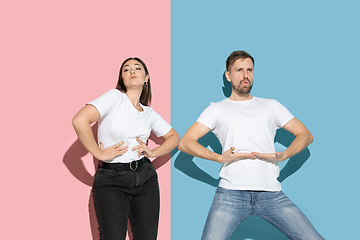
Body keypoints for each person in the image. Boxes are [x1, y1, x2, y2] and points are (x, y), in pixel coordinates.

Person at [178, 51, 324, 240]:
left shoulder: (272, 106)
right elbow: (185, 142)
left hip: (271, 194)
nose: (245, 75)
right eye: (239, 70)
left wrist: (285, 154)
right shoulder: (216, 109)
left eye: (249, 70)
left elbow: (306, 135)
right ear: (228, 75)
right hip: (230, 194)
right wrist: (219, 158)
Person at [72, 57, 180, 240]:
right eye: (126, 69)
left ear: (146, 78)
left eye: (137, 68)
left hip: (146, 178)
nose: (132, 71)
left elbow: (174, 138)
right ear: (122, 78)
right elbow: (79, 120)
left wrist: (153, 152)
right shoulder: (115, 97)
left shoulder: (148, 113)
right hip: (111, 180)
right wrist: (98, 153)